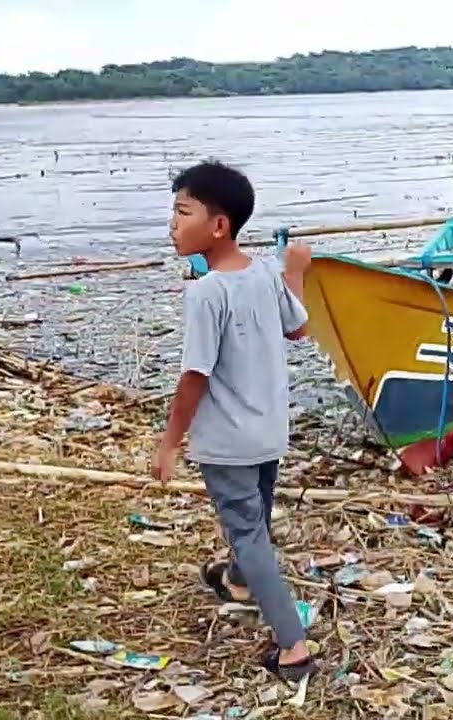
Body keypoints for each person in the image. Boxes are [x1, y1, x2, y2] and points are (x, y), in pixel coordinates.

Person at [150, 160, 317, 683]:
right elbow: (298, 327)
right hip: (269, 430)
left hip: (228, 440)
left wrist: (170, 442)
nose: (172, 224)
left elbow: (194, 377)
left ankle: (293, 646)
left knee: (248, 531)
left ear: (219, 225)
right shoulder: (264, 272)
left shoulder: (207, 293)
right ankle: (240, 582)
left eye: (183, 212)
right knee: (255, 520)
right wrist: (295, 271)